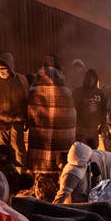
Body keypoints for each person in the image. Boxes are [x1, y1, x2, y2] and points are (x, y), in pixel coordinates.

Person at [28, 57, 76, 199]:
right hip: (59, 142)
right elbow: (71, 115)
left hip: (41, 140)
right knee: (58, 171)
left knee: (41, 175)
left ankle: (41, 195)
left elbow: (31, 110)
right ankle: (57, 196)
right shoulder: (65, 89)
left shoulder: (35, 88)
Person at [0, 53, 29, 170]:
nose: (1, 71)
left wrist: (26, 118)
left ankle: (22, 175)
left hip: (16, 121)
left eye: (4, 69)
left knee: (18, 149)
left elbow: (26, 100)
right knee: (1, 151)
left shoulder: (20, 81)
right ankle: (4, 175)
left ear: (10, 68)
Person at [72, 69, 106, 150]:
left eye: (93, 78)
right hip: (81, 127)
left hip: (93, 128)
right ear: (85, 79)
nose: (90, 80)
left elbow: (104, 109)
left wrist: (103, 125)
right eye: (88, 78)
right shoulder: (78, 92)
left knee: (93, 150)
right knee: (82, 151)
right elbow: (73, 108)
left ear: (95, 79)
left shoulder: (100, 93)